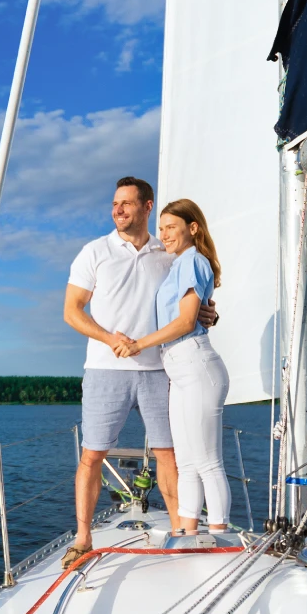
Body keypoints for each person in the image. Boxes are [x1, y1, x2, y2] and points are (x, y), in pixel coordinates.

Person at [62, 178, 218, 568]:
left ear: (147, 207)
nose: (118, 210)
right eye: (115, 203)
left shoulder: (168, 254)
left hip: (157, 369)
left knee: (169, 455)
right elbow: (72, 311)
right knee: (92, 455)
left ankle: (183, 533)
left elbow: (190, 305)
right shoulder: (94, 252)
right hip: (104, 369)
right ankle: (83, 538)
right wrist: (107, 337)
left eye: (127, 203)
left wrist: (208, 314)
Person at [115, 199, 231, 535]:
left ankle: (220, 537)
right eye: (161, 227)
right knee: (187, 462)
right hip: (179, 369)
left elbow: (184, 322)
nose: (164, 234)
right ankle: (189, 534)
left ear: (192, 228)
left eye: (171, 227)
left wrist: (138, 344)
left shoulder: (193, 260)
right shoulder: (179, 263)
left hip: (195, 364)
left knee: (208, 462)